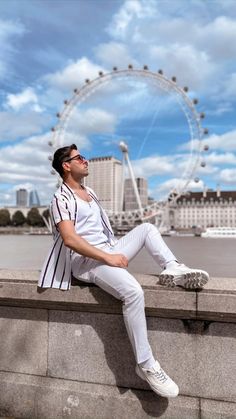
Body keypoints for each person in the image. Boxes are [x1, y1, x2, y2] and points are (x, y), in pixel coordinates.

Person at [38, 144, 209, 399]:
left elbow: (101, 231)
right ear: (66, 165)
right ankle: (146, 364)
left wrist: (113, 250)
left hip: (107, 249)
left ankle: (173, 268)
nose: (86, 161)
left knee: (148, 229)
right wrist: (108, 257)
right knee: (132, 292)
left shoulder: (90, 192)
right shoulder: (61, 199)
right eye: (80, 158)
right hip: (86, 261)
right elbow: (70, 239)